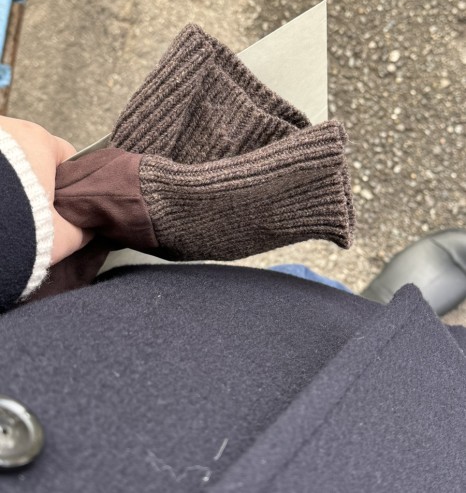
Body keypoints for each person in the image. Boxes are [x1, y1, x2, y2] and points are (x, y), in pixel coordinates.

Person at [2, 116, 466, 492]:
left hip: (110, 332)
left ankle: (367, 317)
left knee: (295, 308)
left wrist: (9, 216)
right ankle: (393, 331)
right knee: (414, 380)